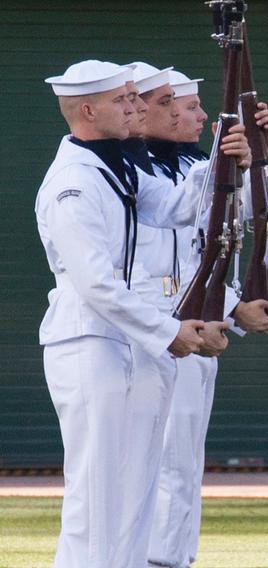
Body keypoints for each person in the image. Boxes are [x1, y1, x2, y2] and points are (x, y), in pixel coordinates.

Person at [36, 59, 224, 568]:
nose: (137, 106)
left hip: (125, 343)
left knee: (137, 492)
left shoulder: (112, 165)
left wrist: (238, 152)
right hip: (89, 342)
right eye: (124, 100)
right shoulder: (74, 182)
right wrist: (169, 332)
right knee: (99, 499)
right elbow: (96, 282)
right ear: (89, 110)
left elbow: (182, 206)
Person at [145, 67, 268, 568]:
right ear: (158, 109)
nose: (203, 115)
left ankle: (174, 559)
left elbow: (230, 227)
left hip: (196, 332)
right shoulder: (136, 172)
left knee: (184, 466)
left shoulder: (186, 168)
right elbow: (149, 273)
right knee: (156, 467)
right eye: (190, 107)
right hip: (153, 337)